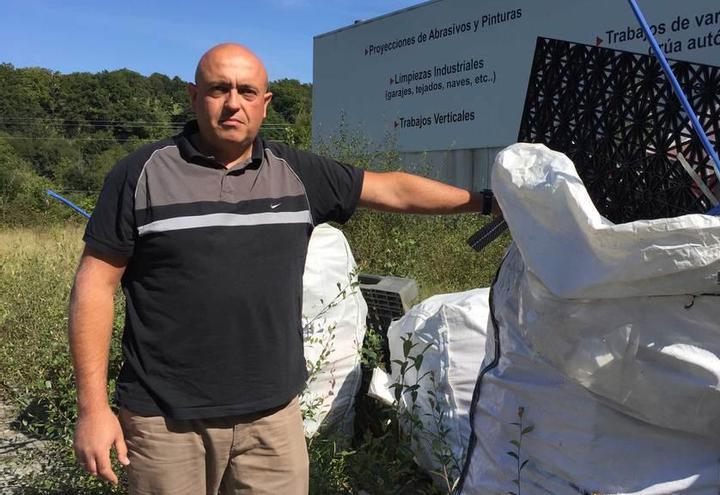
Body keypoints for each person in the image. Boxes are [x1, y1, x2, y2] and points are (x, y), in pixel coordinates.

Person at [68, 43, 494, 494]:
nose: (233, 102)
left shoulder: (295, 173)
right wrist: (93, 409)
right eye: (218, 89)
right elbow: (94, 286)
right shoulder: (142, 174)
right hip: (166, 422)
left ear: (265, 104)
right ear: (194, 96)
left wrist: (487, 201)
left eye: (247, 91)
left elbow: (394, 190)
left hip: (272, 419)